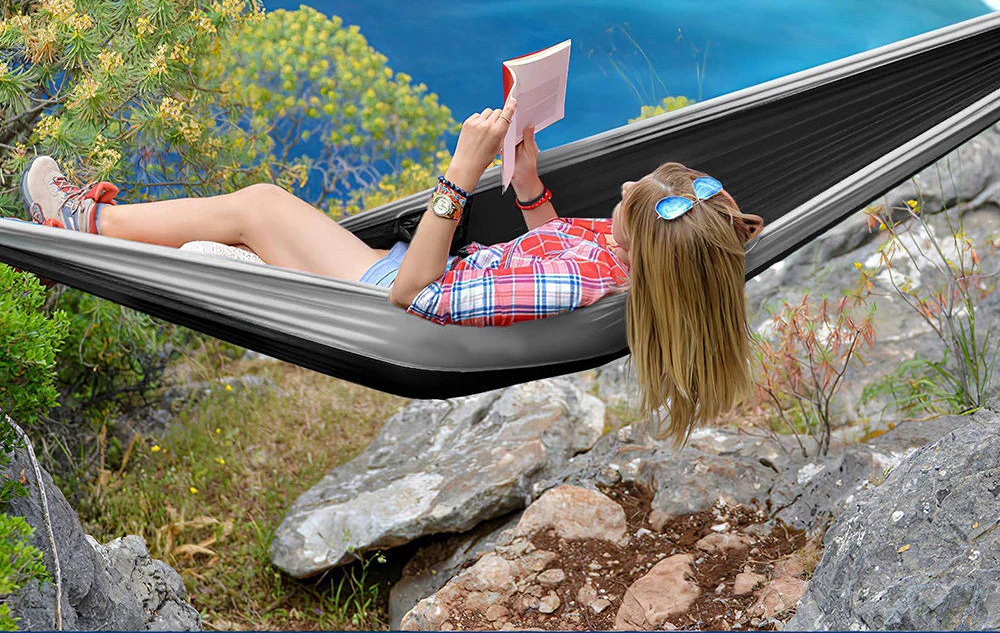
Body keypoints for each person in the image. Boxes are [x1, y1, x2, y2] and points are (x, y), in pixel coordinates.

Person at [19, 96, 763, 442]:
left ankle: (84, 224)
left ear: (640, 244)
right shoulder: (627, 263)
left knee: (261, 206)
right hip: (396, 269)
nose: (624, 191)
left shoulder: (578, 287)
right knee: (241, 241)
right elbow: (558, 245)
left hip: (384, 301)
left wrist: (459, 177)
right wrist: (532, 190)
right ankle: (106, 255)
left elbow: (418, 296)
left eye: (629, 202)